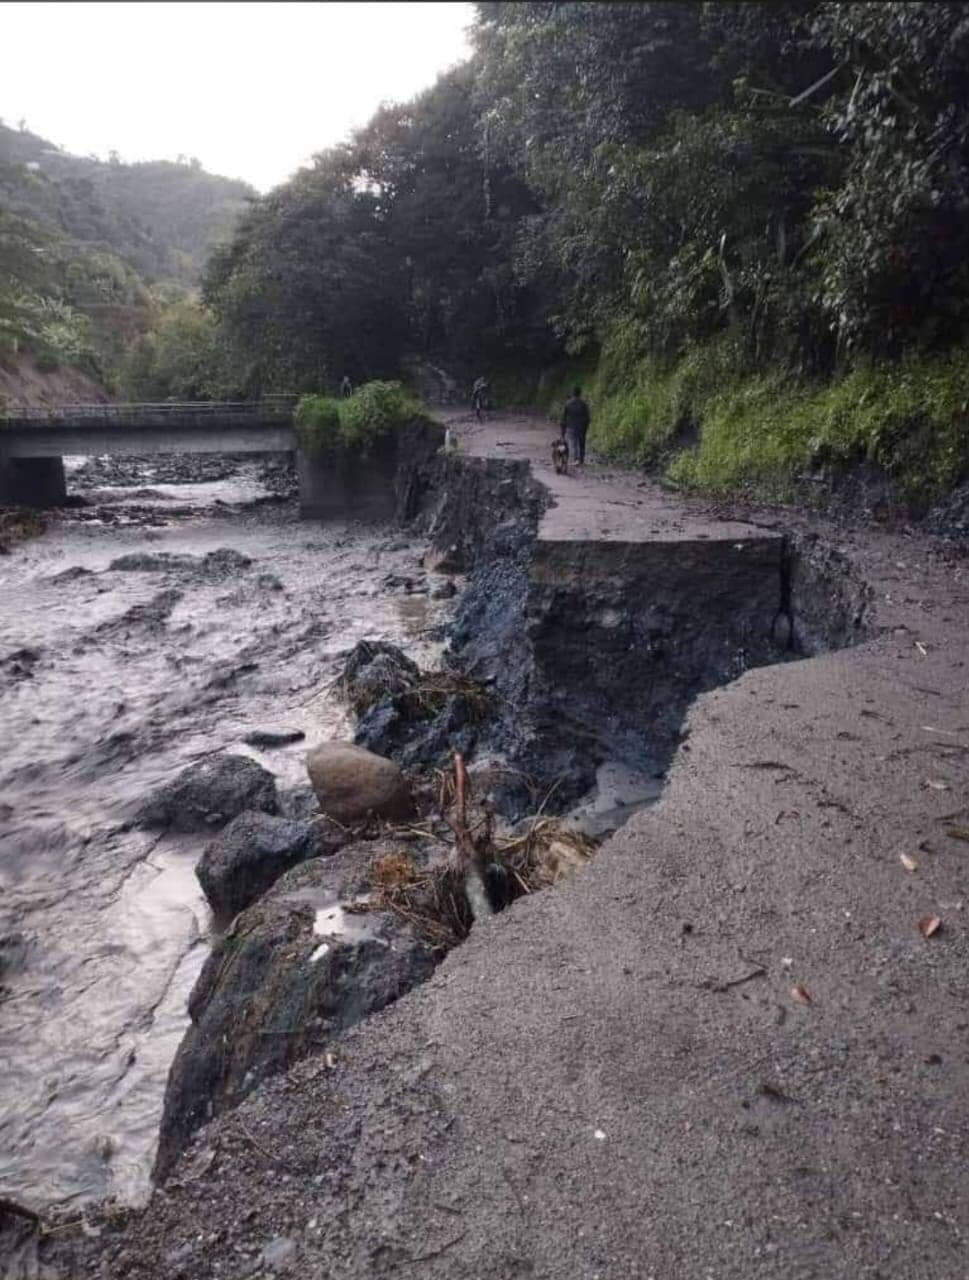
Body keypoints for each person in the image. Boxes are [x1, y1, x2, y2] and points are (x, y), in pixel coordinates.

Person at [560, 386, 591, 465]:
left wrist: (563, 431)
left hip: (571, 426)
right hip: (581, 426)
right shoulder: (583, 404)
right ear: (580, 393)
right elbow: (587, 417)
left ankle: (575, 459)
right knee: (581, 443)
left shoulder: (568, 403)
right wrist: (586, 426)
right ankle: (581, 459)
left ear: (572, 393)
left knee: (573, 443)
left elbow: (563, 417)